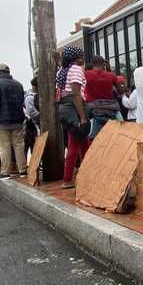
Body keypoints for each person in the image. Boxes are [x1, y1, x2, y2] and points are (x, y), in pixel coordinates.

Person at [56, 45, 90, 188]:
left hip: (64, 107)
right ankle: (67, 179)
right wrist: (82, 117)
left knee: (83, 143)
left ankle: (87, 173)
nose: (82, 58)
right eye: (80, 55)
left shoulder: (61, 71)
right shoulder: (76, 69)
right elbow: (76, 93)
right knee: (74, 144)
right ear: (76, 58)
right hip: (75, 106)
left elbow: (61, 92)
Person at [84, 55, 122, 139]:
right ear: (104, 64)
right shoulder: (111, 75)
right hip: (110, 110)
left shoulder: (86, 74)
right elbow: (120, 91)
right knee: (118, 134)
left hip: (93, 111)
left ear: (92, 64)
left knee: (93, 139)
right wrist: (109, 70)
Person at [24, 77, 40, 157]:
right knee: (31, 147)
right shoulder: (29, 97)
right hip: (31, 127)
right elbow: (32, 113)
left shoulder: (37, 95)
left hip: (34, 127)